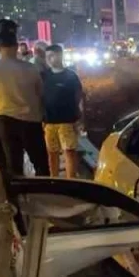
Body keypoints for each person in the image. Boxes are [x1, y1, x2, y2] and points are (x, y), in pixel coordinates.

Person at [0, 19, 50, 177]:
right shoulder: (31, 68)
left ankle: (18, 192)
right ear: (16, 47)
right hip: (32, 121)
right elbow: (40, 93)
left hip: (5, 122)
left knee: (14, 167)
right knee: (41, 165)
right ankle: (46, 190)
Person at [41, 45, 85, 178]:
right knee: (52, 153)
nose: (48, 59)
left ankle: (71, 181)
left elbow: (79, 97)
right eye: (47, 56)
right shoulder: (43, 76)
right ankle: (54, 180)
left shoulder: (71, 76)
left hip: (67, 122)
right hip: (49, 122)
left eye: (51, 56)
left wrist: (81, 119)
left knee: (69, 152)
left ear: (60, 55)